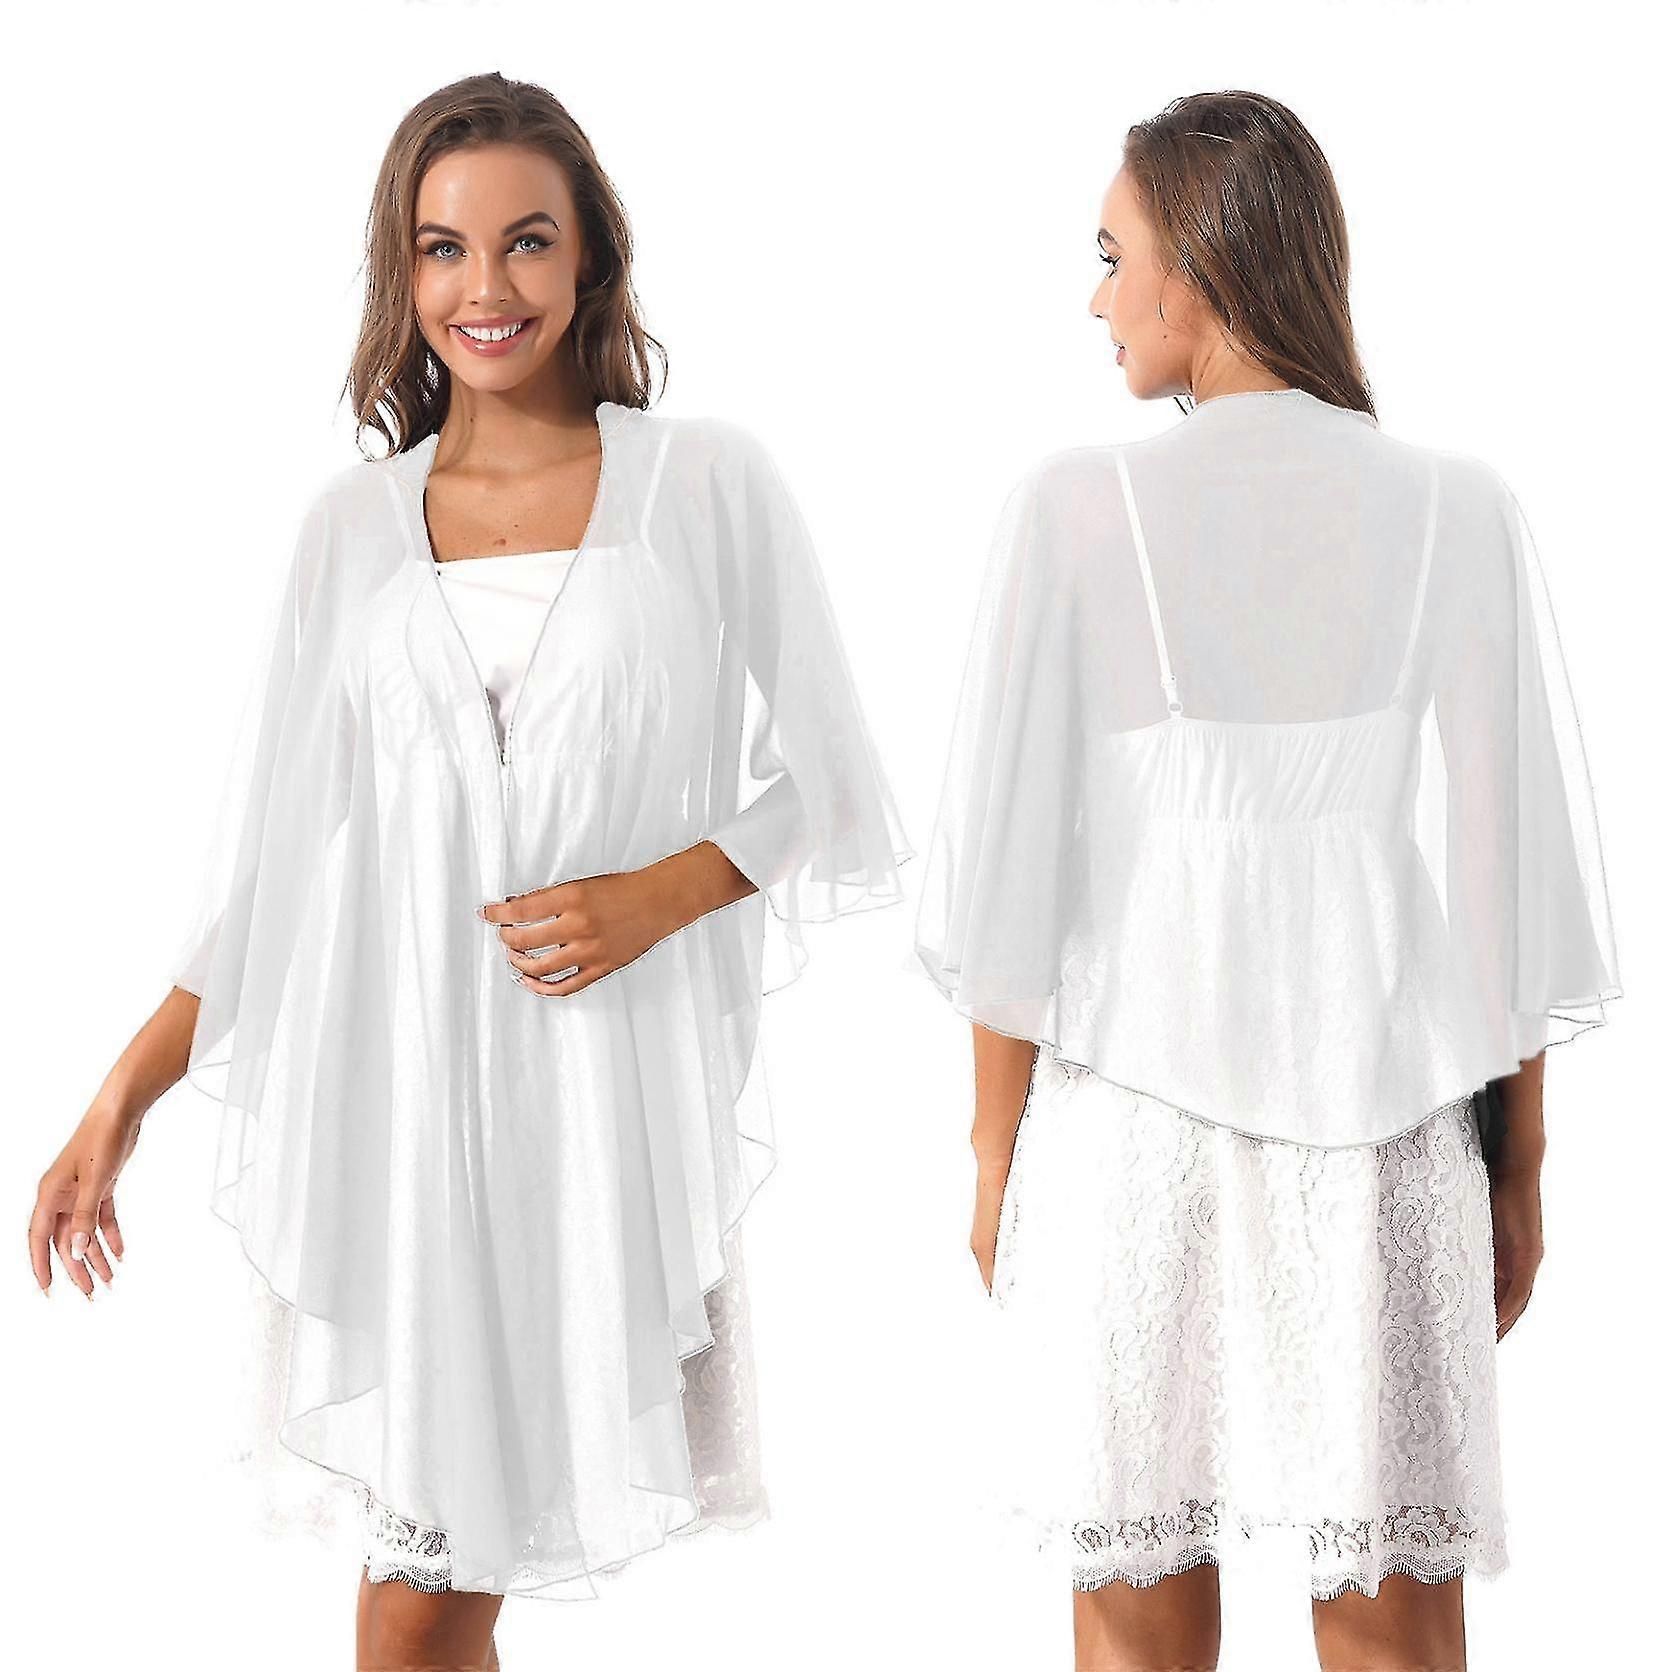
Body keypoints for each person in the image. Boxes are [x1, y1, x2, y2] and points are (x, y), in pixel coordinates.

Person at [28, 72, 911, 1671]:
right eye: (443, 248)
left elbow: (838, 789)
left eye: (526, 241)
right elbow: (267, 875)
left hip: (600, 1120)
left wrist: (660, 893)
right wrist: (118, 1106)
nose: (484, 288)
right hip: (415, 1128)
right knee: (425, 1605)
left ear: (591, 258)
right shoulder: (350, 531)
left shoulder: (705, 485)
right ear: (404, 269)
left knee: (427, 1613)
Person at [912, 90, 1620, 1672]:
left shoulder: (1077, 507)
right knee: (1395, 1631)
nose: (1096, 299)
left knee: (1135, 1624)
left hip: (1129, 1123)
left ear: (1204, 264)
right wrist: (1521, 1168)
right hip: (1384, 1122)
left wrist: (994, 1156)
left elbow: (1012, 892)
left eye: (1115, 258)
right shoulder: (1457, 507)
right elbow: (1501, 895)